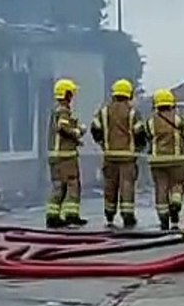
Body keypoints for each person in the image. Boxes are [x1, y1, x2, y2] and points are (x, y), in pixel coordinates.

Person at [89, 78, 147, 228]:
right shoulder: (133, 112)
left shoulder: (104, 111)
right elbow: (140, 132)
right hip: (128, 157)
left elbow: (94, 128)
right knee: (127, 184)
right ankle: (127, 215)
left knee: (110, 185)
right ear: (129, 94)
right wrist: (139, 147)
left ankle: (109, 214)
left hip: (109, 155)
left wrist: (102, 143)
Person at [46, 78, 87, 228]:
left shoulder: (55, 111)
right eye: (71, 93)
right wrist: (78, 132)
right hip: (66, 157)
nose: (72, 97)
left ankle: (52, 216)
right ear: (66, 94)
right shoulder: (63, 111)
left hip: (55, 156)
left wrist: (75, 141)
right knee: (72, 184)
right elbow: (63, 128)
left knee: (58, 186)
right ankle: (71, 215)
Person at [147, 89, 184, 231]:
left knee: (161, 188)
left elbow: (147, 137)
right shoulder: (178, 120)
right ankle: (176, 204)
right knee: (177, 183)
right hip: (177, 159)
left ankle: (164, 219)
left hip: (157, 161)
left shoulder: (151, 122)